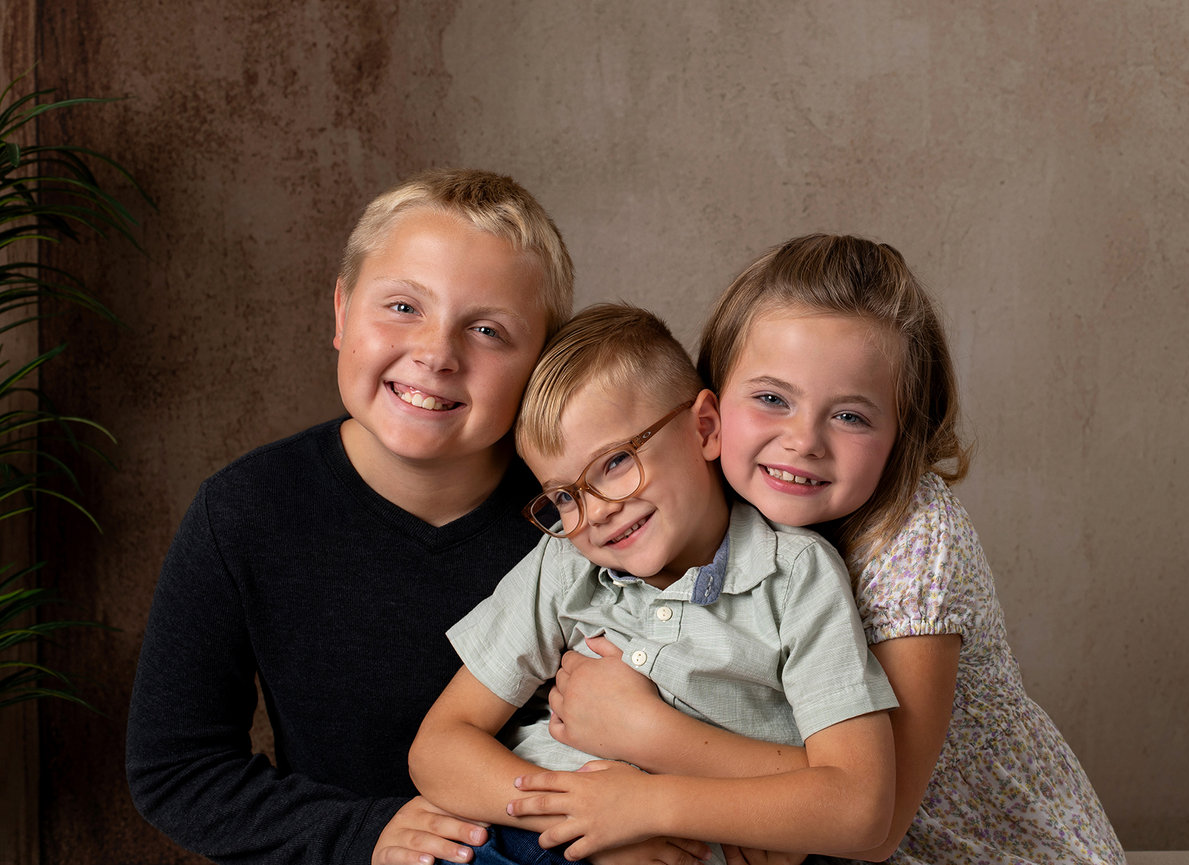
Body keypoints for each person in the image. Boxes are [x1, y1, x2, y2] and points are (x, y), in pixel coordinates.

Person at [531, 235, 1126, 864]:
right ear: (710, 409)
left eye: (851, 417)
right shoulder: (696, 508)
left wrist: (651, 740)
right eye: (771, 399)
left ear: (904, 432)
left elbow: (879, 819)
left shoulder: (916, 540)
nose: (803, 441)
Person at [125, 168, 574, 865]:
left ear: (542, 364)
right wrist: (364, 834)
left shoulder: (588, 520)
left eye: (487, 329)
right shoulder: (245, 512)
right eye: (402, 306)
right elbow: (177, 768)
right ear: (340, 313)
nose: (436, 354)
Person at [408, 303, 900, 865]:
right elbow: (439, 748)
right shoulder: (564, 562)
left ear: (705, 428)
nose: (594, 513)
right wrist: (585, 818)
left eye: (614, 462)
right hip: (526, 834)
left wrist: (643, 808)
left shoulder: (796, 578)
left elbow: (859, 809)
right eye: (564, 496)